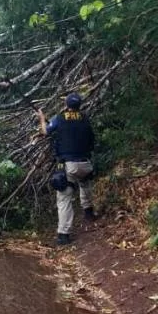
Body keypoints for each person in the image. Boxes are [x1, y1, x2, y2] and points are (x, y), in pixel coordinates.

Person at [36, 92, 96, 246]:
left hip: (68, 165)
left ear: (66, 105)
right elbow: (91, 140)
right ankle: (89, 212)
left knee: (64, 199)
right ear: (79, 105)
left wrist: (42, 118)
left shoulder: (60, 118)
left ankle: (64, 235)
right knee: (85, 185)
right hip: (86, 163)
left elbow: (45, 132)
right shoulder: (85, 118)